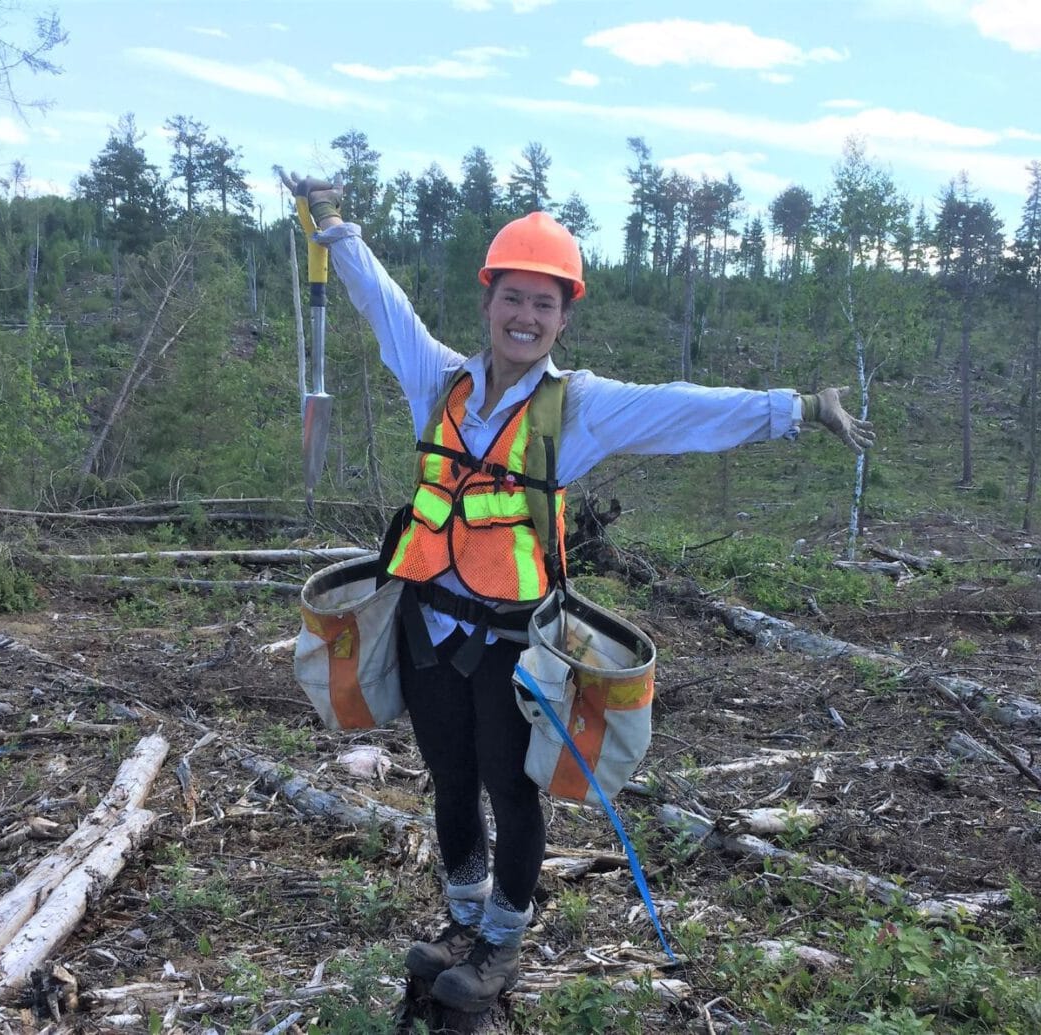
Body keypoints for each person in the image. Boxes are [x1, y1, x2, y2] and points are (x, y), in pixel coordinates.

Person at [282, 172, 873, 1014]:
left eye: (544, 306)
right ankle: (460, 921)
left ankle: (501, 941)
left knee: (508, 784)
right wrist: (333, 226)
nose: (525, 318)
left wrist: (800, 408)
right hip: (426, 630)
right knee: (450, 779)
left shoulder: (578, 407)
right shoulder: (439, 380)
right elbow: (383, 304)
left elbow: (683, 411)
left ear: (564, 317)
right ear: (488, 301)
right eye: (512, 298)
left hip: (512, 641)